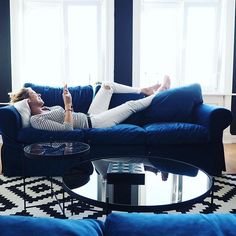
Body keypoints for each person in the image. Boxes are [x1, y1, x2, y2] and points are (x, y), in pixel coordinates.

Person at [9, 76, 171, 131]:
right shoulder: (36, 120)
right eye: (34, 94)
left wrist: (68, 103)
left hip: (90, 115)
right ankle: (160, 93)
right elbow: (67, 130)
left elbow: (68, 117)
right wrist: (68, 104)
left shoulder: (45, 108)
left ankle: (145, 89)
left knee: (107, 85)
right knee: (130, 105)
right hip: (94, 124)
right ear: (28, 101)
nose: (39, 94)